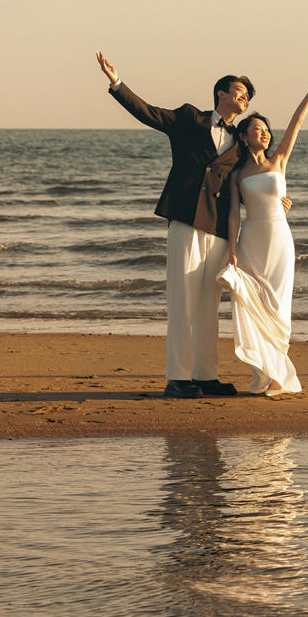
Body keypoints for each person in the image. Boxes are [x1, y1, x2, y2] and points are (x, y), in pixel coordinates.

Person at [96, 52, 274, 399]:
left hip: (221, 229)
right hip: (187, 221)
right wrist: (117, 83)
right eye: (238, 91)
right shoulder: (190, 118)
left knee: (209, 306)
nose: (244, 97)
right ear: (220, 93)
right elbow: (150, 114)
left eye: (247, 96)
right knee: (183, 302)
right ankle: (177, 377)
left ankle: (206, 376)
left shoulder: (240, 140)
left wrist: (277, 199)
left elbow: (256, 174)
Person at [217, 71, 308, 396]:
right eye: (257, 130)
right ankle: (263, 372)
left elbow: (297, 122)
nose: (265, 134)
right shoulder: (237, 174)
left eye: (267, 130)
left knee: (279, 307)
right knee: (253, 306)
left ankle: (278, 374)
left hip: (281, 242)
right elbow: (232, 216)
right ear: (244, 136)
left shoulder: (278, 161)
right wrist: (231, 254)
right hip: (251, 243)